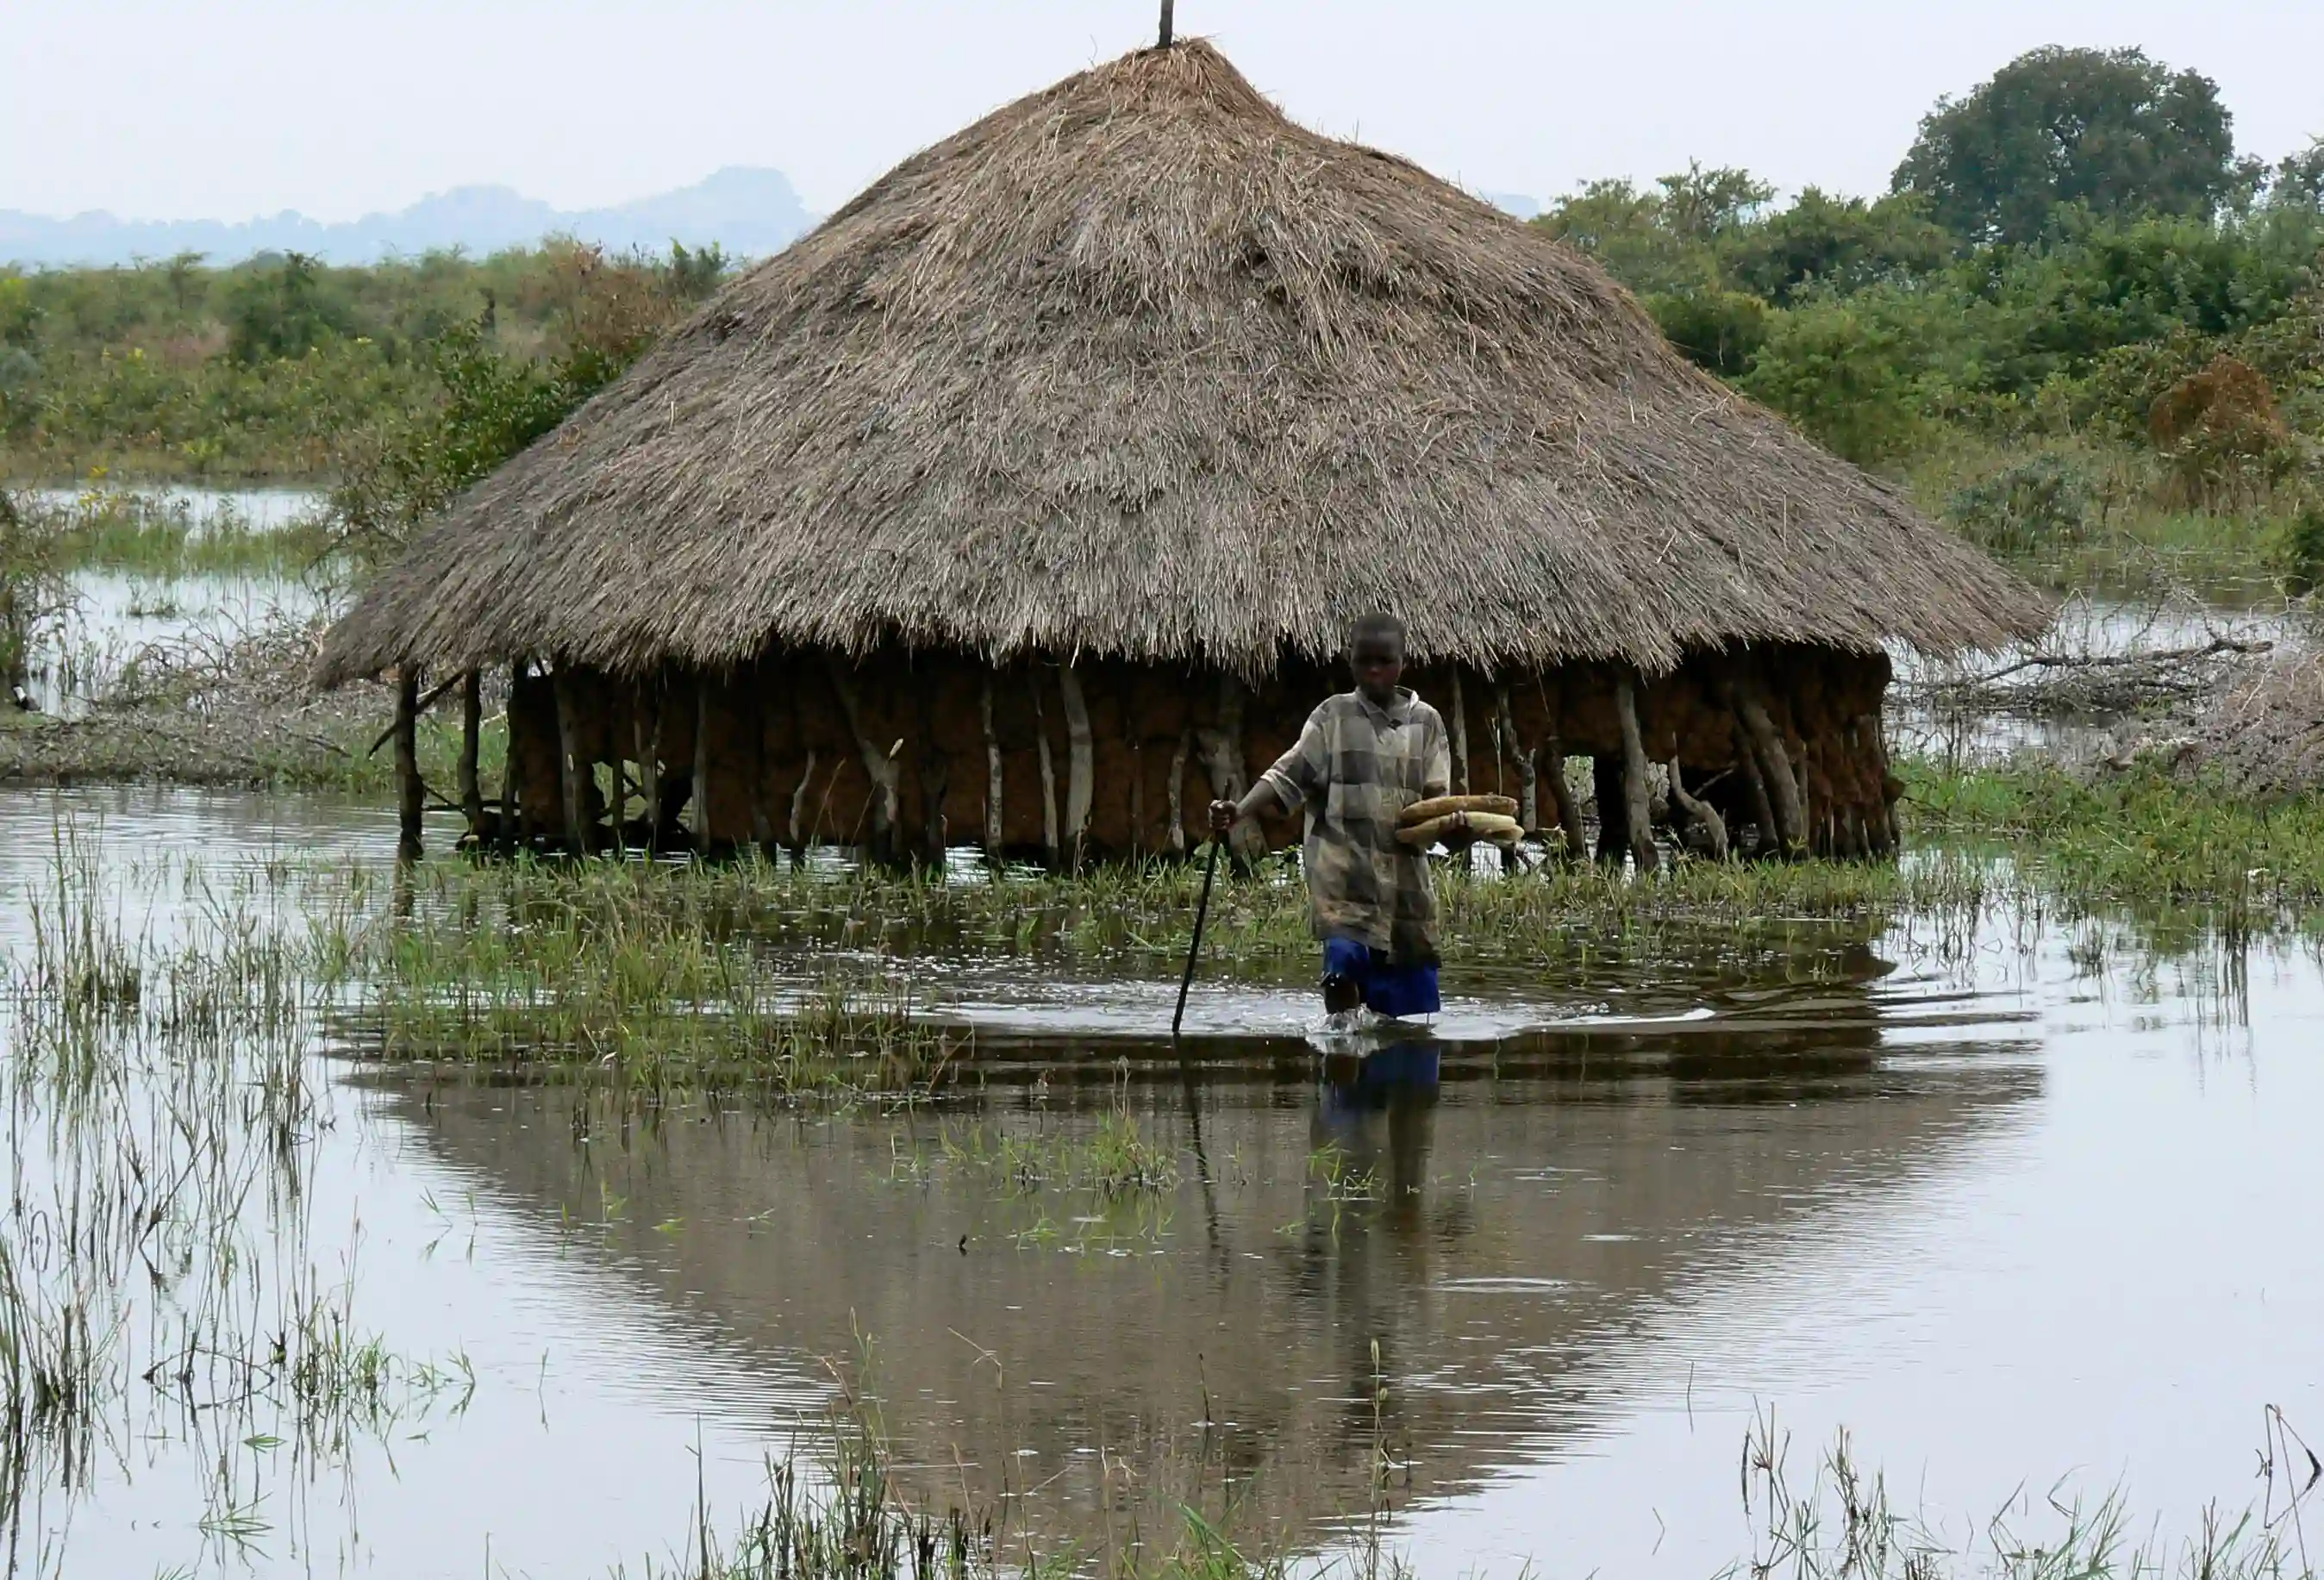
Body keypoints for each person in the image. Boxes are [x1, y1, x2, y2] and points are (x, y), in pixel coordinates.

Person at [1210, 612, 1463, 1018]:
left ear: (1403, 662)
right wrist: (1238, 811)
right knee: (1342, 982)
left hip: (1406, 900)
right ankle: (1341, 1063)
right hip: (1345, 890)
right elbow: (1285, 775)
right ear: (1351, 662)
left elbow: (1436, 811)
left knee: (1410, 1037)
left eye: (1385, 661)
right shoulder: (1333, 718)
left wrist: (1460, 830)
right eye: (1364, 662)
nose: (1374, 671)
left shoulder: (1426, 724)